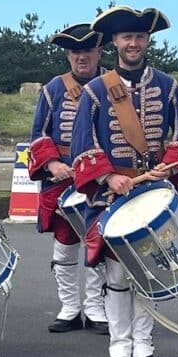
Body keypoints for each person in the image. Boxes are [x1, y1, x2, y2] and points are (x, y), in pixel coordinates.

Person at [70, 5, 178, 357]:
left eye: (140, 37)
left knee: (148, 272)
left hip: (152, 192)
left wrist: (169, 165)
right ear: (115, 41)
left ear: (147, 42)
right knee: (115, 275)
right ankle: (119, 344)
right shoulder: (96, 90)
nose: (133, 43)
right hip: (112, 195)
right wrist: (108, 177)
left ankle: (143, 345)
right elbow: (83, 143)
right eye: (127, 37)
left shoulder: (167, 86)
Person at [28, 23, 108, 335]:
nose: (81, 57)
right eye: (75, 51)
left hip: (102, 178)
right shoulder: (53, 89)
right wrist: (51, 163)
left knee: (99, 243)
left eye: (87, 50)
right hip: (62, 177)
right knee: (64, 243)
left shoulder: (112, 84)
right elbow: (38, 134)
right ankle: (70, 307)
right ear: (67, 55)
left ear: (99, 52)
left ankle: (96, 307)